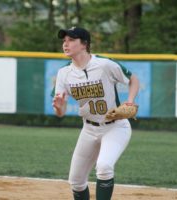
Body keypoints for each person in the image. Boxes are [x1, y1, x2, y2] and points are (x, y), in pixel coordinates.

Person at [52, 27, 139, 200]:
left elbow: (133, 80)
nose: (65, 44)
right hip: (89, 129)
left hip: (115, 127)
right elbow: (60, 113)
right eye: (64, 41)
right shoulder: (64, 73)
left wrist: (129, 101)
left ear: (84, 44)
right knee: (76, 181)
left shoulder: (104, 64)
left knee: (104, 166)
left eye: (71, 40)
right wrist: (59, 107)